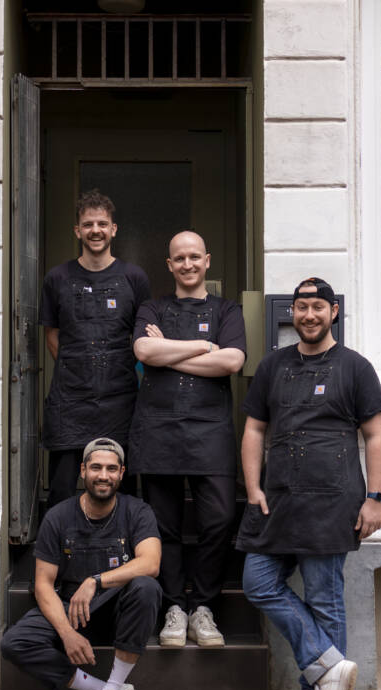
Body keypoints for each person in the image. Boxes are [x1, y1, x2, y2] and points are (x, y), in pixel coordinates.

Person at [237, 277, 381, 690]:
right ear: (293, 313)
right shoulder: (273, 366)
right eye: (301, 307)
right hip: (277, 499)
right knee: (258, 582)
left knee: (325, 599)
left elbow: (376, 435)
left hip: (332, 501)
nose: (308, 315)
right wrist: (253, 488)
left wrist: (375, 499)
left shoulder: (355, 368)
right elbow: (253, 431)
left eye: (317, 307)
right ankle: (329, 670)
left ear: (333, 312)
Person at [128, 231, 247, 648]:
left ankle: (204, 608)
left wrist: (171, 355)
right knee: (164, 527)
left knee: (218, 521)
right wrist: (201, 346)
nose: (188, 264)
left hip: (211, 432)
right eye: (179, 258)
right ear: (169, 264)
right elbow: (144, 351)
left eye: (195, 257)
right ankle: (175, 608)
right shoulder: (152, 307)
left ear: (207, 260)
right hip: (158, 430)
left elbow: (232, 360)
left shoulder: (227, 309)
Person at [0, 438, 162, 690]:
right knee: (14, 644)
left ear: (122, 473)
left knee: (146, 587)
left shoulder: (137, 511)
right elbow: (43, 584)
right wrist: (67, 633)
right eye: (96, 467)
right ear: (83, 470)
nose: (104, 475)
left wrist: (96, 580)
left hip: (117, 612)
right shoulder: (59, 516)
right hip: (70, 610)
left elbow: (151, 563)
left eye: (111, 469)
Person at [40, 190, 150, 506]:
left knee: (123, 486)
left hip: (121, 401)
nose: (95, 230)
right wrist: (81, 372)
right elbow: (52, 337)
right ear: (78, 231)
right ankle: (61, 552)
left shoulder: (134, 277)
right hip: (69, 402)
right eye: (88, 224)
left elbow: (142, 339)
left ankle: (128, 551)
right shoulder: (57, 278)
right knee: (61, 488)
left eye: (102, 223)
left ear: (114, 229)